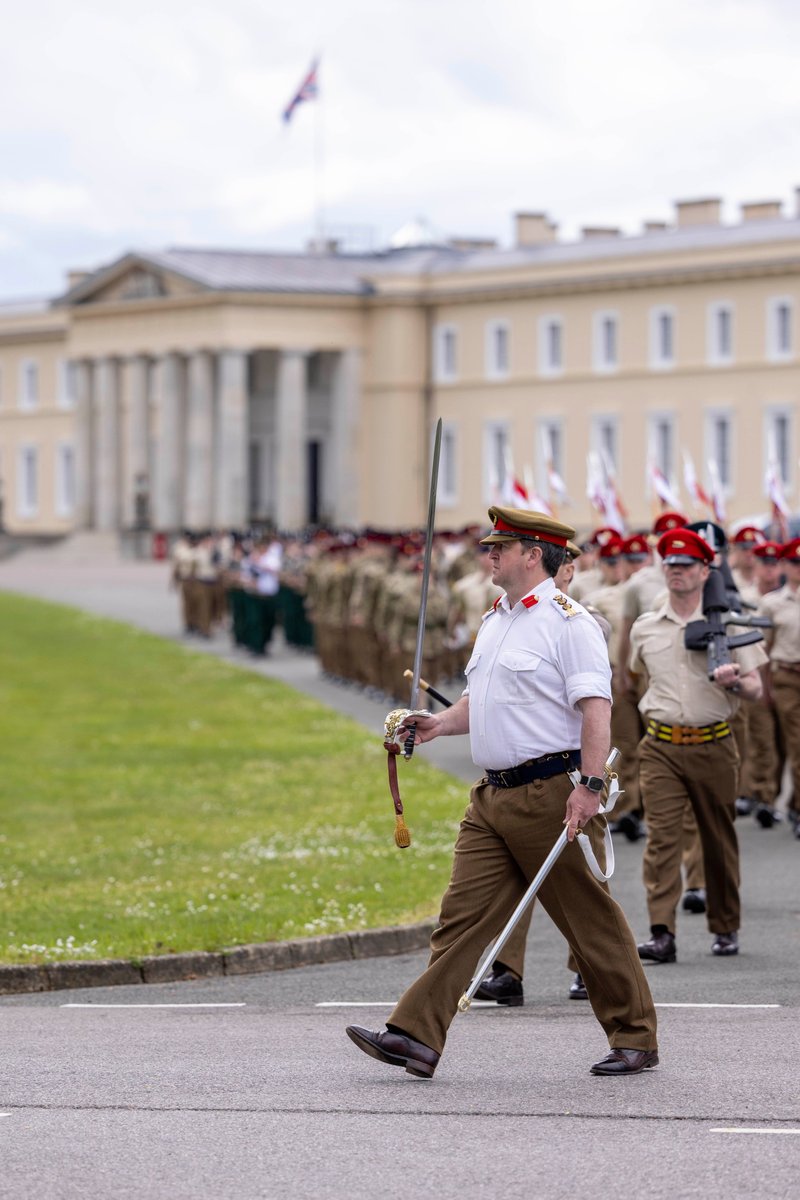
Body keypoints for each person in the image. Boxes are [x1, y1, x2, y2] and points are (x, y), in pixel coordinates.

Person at [346, 506, 659, 1079]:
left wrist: (590, 787)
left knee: (587, 921)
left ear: (532, 555)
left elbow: (596, 708)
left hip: (550, 791)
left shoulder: (569, 623)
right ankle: (415, 1034)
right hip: (492, 797)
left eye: (500, 548)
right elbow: (484, 701)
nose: (489, 555)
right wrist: (439, 724)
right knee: (460, 920)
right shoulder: (497, 620)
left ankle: (635, 1035)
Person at [630, 528, 767, 965]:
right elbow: (639, 676)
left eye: (686, 566)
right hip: (662, 746)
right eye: (670, 565)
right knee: (662, 841)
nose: (677, 573)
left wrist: (735, 681)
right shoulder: (646, 628)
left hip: (714, 744)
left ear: (706, 570)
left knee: (717, 838)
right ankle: (661, 931)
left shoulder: (731, 624)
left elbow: (757, 690)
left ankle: (725, 925)